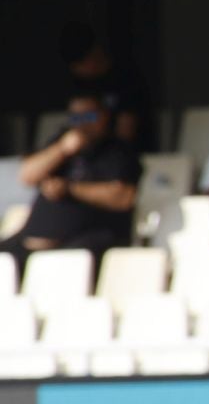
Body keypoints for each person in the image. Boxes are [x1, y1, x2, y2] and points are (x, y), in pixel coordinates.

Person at [0, 90, 140, 264]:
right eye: (75, 118)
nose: (82, 124)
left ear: (103, 116)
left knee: (63, 263)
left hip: (89, 237)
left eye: (87, 116)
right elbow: (27, 176)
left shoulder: (116, 151)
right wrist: (62, 149)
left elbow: (123, 197)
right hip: (31, 241)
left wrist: (69, 189)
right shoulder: (61, 145)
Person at [59, 21, 154, 152]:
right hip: (86, 155)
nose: (78, 70)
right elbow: (75, 125)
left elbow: (125, 134)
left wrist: (97, 120)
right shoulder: (79, 84)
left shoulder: (126, 79)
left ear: (95, 52)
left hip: (124, 155)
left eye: (81, 63)